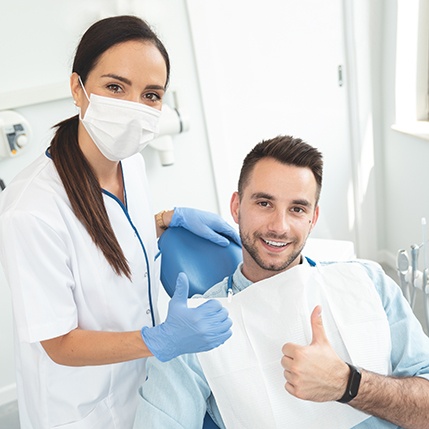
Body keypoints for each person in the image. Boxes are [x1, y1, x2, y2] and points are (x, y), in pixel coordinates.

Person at [0, 15, 238, 429]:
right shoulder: (30, 209)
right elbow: (58, 343)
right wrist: (158, 340)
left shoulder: (130, 161)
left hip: (144, 390)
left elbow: (102, 235)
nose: (133, 108)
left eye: (151, 95)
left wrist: (164, 222)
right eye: (115, 87)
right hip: (82, 409)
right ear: (78, 89)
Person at [135, 135, 429, 429]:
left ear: (313, 218)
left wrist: (347, 384)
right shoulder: (193, 329)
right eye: (264, 203)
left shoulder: (369, 281)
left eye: (297, 209)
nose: (279, 226)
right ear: (236, 207)